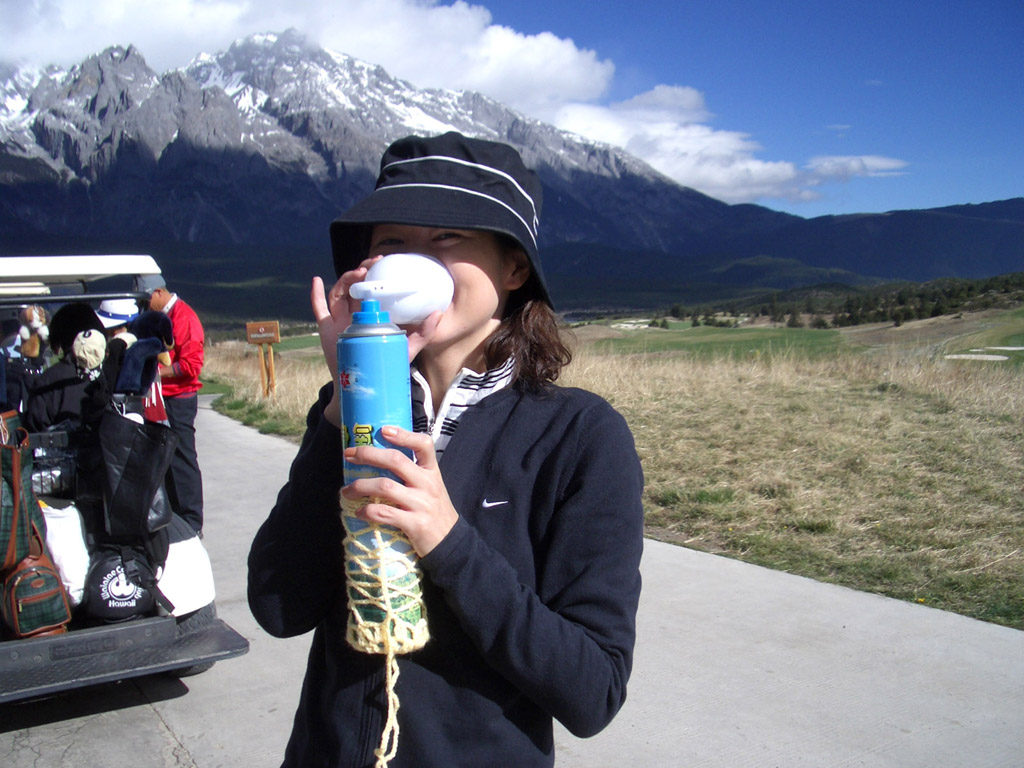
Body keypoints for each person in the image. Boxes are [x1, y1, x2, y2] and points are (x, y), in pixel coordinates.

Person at [247, 133, 645, 768]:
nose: (414, 263)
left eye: (448, 238)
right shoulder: (347, 412)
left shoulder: (579, 435)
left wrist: (447, 541)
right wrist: (346, 399)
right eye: (392, 244)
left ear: (515, 268)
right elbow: (277, 606)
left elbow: (592, 690)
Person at [146, 278, 205, 533]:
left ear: (158, 292)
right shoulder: (163, 316)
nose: (145, 305)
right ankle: (175, 517)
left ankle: (192, 521)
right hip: (163, 397)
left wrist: (156, 372)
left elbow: (192, 365)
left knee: (182, 459)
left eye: (146, 299)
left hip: (179, 399)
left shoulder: (184, 317)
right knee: (166, 459)